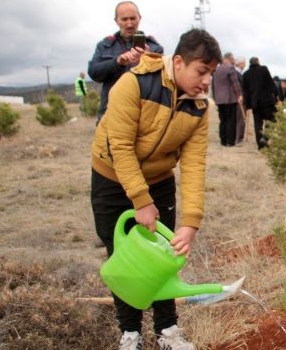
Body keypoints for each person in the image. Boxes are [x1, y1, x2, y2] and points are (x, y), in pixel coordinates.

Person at [90, 28, 221, 350]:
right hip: (112, 177)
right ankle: (130, 332)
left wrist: (191, 220)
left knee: (164, 254)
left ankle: (167, 330)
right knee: (123, 255)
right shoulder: (133, 83)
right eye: (201, 71)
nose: (206, 81)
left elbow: (193, 165)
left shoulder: (199, 107)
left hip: (160, 180)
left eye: (211, 74)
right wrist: (140, 201)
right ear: (178, 62)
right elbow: (119, 145)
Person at [88, 1, 163, 122]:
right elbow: (94, 73)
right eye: (124, 19)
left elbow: (164, 80)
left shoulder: (154, 48)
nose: (129, 24)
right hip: (111, 115)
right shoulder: (105, 46)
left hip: (145, 117)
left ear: (140, 18)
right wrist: (117, 63)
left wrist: (149, 60)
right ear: (116, 20)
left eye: (133, 18)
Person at [242, 56, 278, 149]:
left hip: (255, 104)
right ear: (258, 62)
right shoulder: (264, 69)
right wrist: (276, 94)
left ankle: (260, 145)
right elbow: (271, 84)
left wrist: (248, 105)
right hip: (267, 102)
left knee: (258, 124)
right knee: (272, 120)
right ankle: (265, 138)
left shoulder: (245, 74)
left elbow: (245, 92)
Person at [212, 52, 243, 147]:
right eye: (233, 58)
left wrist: (215, 97)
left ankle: (223, 140)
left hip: (219, 99)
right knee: (231, 120)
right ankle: (230, 141)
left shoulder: (216, 70)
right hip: (230, 99)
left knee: (223, 120)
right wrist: (239, 95)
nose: (234, 60)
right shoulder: (230, 68)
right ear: (229, 58)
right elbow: (235, 83)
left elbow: (213, 86)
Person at [234, 57, 247, 144]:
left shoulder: (239, 73)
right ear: (240, 63)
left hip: (237, 99)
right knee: (240, 119)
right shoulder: (236, 73)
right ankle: (238, 139)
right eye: (244, 63)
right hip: (239, 99)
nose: (245, 65)